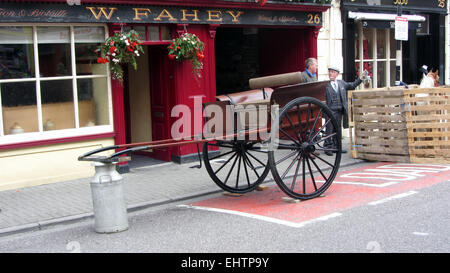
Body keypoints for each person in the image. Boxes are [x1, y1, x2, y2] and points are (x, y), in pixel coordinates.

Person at [324, 65, 366, 156]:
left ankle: (337, 147)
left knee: (338, 129)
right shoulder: (325, 86)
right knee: (329, 129)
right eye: (330, 72)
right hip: (330, 111)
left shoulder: (341, 83)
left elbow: (352, 85)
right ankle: (328, 147)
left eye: (332, 72)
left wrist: (361, 78)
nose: (330, 74)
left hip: (339, 111)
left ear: (336, 74)